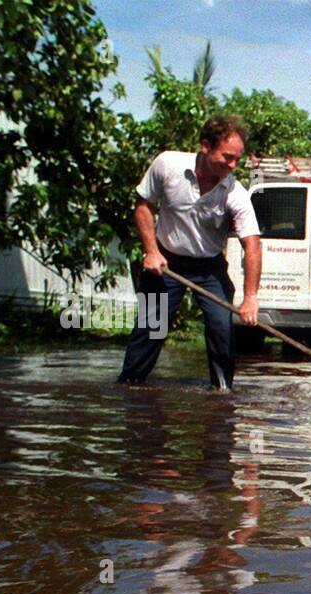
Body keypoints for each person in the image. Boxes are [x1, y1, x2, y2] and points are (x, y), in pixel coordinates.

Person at [118, 115, 262, 389]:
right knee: (151, 329)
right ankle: (129, 387)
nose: (232, 166)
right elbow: (143, 205)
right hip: (166, 261)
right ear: (205, 146)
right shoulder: (167, 164)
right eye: (227, 157)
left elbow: (252, 244)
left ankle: (222, 394)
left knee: (221, 327)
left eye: (237, 160)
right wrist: (150, 251)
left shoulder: (235, 193)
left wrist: (251, 298)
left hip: (209, 267)